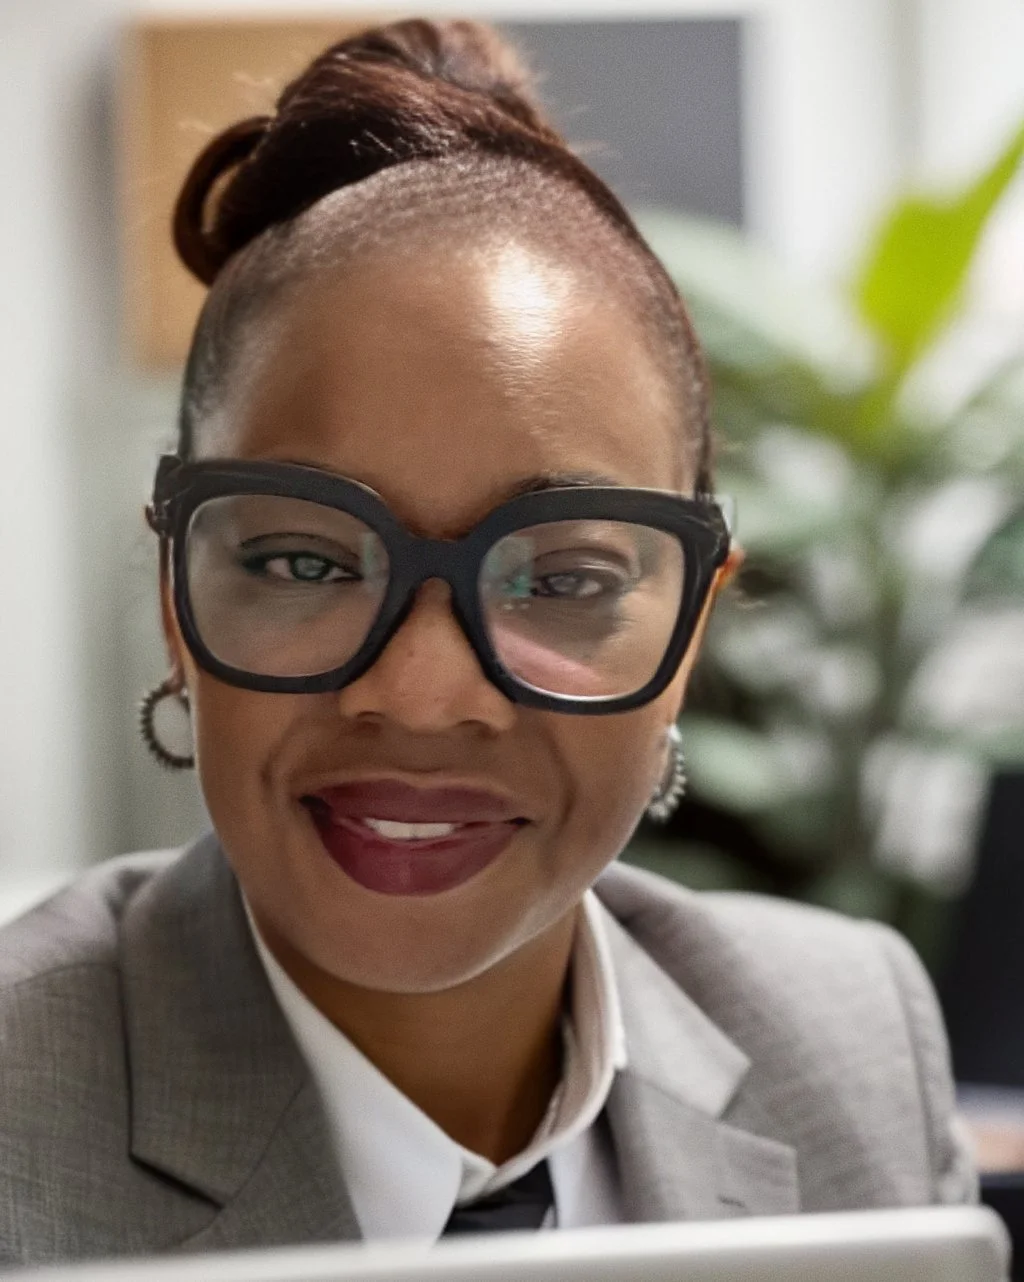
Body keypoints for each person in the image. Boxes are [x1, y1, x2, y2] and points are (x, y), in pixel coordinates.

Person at [0, 17, 975, 1266]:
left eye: (562, 578)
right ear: (175, 598)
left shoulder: (849, 1040)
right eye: (304, 561)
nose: (419, 692)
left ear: (688, 629)